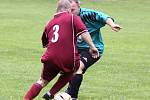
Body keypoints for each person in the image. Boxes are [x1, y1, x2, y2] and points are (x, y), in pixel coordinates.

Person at [24, 0, 99, 100]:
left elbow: (45, 43)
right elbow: (84, 32)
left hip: (49, 57)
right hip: (68, 57)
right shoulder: (73, 18)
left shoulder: (49, 23)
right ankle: (51, 93)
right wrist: (93, 47)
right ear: (68, 9)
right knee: (75, 69)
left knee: (42, 81)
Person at [64, 0, 122, 100]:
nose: (70, 12)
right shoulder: (66, 17)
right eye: (68, 10)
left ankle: (72, 96)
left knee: (77, 68)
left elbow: (104, 17)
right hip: (75, 49)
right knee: (71, 70)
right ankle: (69, 92)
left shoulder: (88, 14)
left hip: (93, 49)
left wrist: (112, 24)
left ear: (79, 5)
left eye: (72, 9)